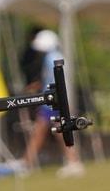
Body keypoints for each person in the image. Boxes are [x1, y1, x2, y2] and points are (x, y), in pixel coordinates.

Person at [22, 28, 85, 178]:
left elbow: (54, 81)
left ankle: (27, 163)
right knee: (55, 131)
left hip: (53, 101)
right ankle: (72, 161)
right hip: (56, 100)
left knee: (47, 131)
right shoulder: (56, 56)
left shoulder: (51, 58)